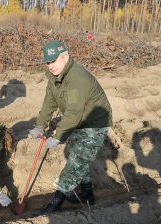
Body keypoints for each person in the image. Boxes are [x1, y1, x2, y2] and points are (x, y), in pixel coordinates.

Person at [29, 40, 113, 215]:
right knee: (78, 157)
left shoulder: (77, 78)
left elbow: (74, 112)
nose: (50, 66)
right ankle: (88, 194)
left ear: (65, 57)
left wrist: (58, 136)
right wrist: (39, 126)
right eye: (47, 62)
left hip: (95, 123)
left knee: (75, 162)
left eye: (53, 61)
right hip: (80, 121)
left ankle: (56, 202)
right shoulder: (54, 77)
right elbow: (49, 104)